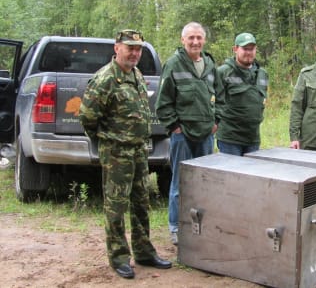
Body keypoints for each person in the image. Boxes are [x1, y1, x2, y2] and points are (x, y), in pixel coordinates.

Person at [79, 29, 172, 279]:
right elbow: (87, 117)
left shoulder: (137, 74)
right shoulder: (105, 79)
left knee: (142, 202)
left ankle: (144, 251)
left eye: (138, 49)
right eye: (130, 48)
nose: (134, 53)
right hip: (116, 152)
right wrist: (107, 140)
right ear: (116, 48)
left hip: (139, 150)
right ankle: (119, 256)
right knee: (116, 205)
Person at [155, 22, 224, 245]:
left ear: (204, 40)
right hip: (182, 135)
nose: (195, 42)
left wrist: (216, 121)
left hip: (206, 135)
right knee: (180, 183)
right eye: (191, 38)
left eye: (199, 38)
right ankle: (176, 227)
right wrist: (175, 127)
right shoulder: (174, 65)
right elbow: (163, 103)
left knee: (204, 183)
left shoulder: (211, 65)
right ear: (182, 40)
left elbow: (221, 97)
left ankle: (201, 226)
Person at [216, 32, 268, 156]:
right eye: (245, 49)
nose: (248, 52)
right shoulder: (223, 72)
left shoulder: (262, 74)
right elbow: (213, 103)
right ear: (235, 49)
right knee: (231, 174)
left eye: (252, 49)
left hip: (253, 138)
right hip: (230, 139)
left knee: (251, 174)